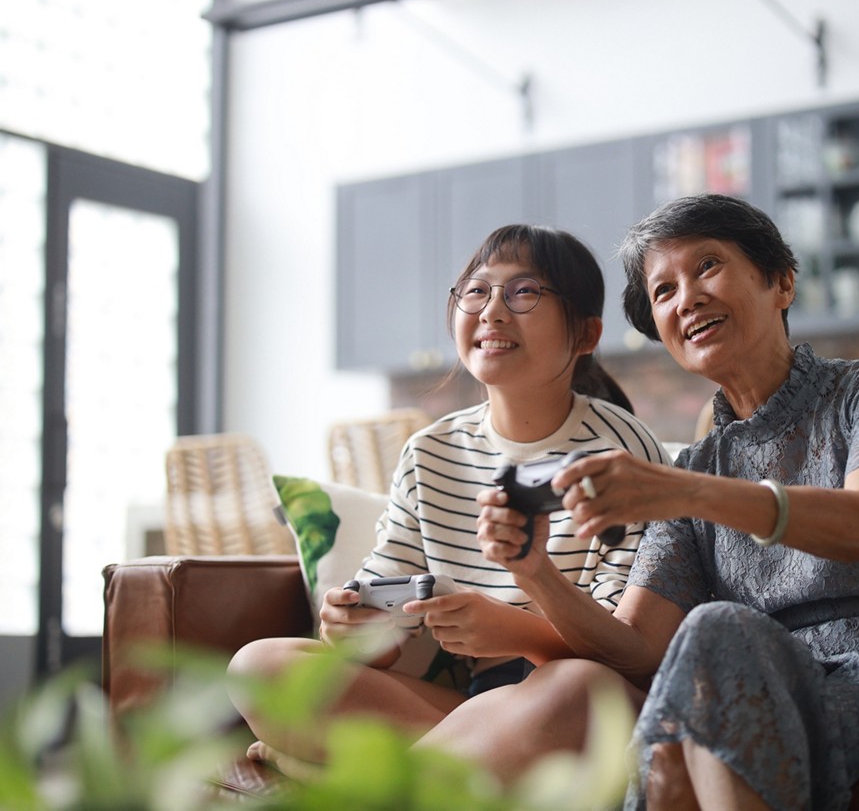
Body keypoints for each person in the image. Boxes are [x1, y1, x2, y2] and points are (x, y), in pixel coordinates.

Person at [466, 194, 859, 809]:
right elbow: (636, 650)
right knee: (685, 700)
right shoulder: (694, 470)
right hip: (780, 691)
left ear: (782, 282)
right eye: (664, 292)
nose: (686, 298)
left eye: (707, 266)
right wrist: (538, 574)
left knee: (710, 650)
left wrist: (685, 492)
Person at [227, 224, 673, 770]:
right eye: (476, 290)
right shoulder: (430, 452)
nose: (491, 311)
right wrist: (358, 628)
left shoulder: (623, 454)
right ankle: (451, 775)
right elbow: (390, 629)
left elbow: (628, 658)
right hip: (461, 714)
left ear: (585, 333)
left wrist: (517, 631)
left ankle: (350, 780)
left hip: (570, 706)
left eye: (524, 291)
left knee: (578, 688)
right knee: (260, 666)